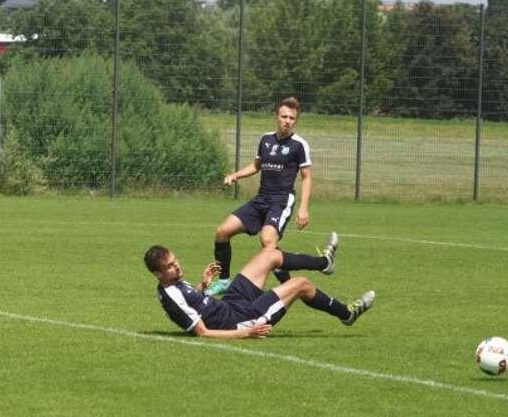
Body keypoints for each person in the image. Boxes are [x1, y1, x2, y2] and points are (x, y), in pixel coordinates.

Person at [144, 232, 375, 338]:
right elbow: (202, 332)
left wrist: (203, 286)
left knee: (269, 253)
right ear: (158, 274)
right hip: (241, 319)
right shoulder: (170, 295)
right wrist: (247, 332)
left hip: (231, 304)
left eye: (175, 261)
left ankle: (325, 263)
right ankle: (347, 314)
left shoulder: (174, 282)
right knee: (301, 284)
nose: (177, 266)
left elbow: (196, 304)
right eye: (170, 266)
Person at [210, 96, 312, 296]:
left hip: (281, 200)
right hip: (261, 199)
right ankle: (223, 281)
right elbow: (257, 166)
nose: (287, 121)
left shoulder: (299, 145)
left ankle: (288, 286)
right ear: (276, 116)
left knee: (267, 242)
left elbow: (306, 177)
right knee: (222, 231)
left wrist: (303, 208)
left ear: (296, 120)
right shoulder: (266, 139)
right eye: (284, 116)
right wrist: (235, 175)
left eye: (291, 118)